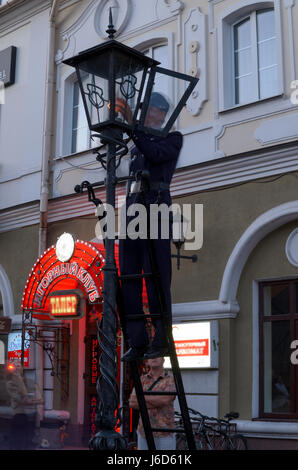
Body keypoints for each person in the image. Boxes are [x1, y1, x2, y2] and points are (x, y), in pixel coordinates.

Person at [117, 92, 183, 361]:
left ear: (161, 112)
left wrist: (132, 125)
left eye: (148, 110)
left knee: (155, 275)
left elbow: (155, 154)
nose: (144, 114)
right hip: (133, 210)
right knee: (128, 277)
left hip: (156, 208)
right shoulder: (137, 143)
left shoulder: (172, 138)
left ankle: (161, 336)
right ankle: (137, 338)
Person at [129, 356, 176, 450]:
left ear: (163, 360)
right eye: (151, 356)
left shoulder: (170, 380)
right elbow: (132, 402)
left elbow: (165, 400)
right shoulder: (142, 380)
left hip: (164, 431)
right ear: (147, 362)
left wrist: (142, 398)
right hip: (144, 431)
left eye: (157, 355)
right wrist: (156, 401)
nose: (154, 358)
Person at [6, 361, 44, 450]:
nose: (16, 368)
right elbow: (22, 397)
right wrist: (19, 379)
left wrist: (28, 400)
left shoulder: (30, 381)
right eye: (14, 366)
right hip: (18, 416)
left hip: (31, 415)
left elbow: (40, 400)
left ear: (22, 368)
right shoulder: (10, 384)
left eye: (18, 366)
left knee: (28, 442)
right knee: (18, 441)